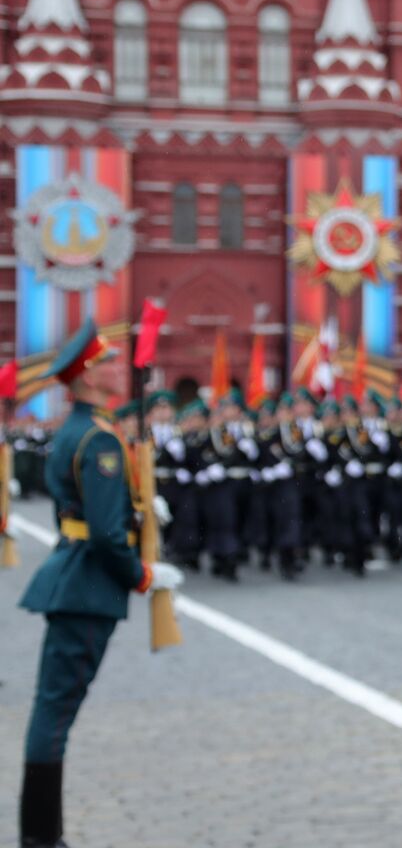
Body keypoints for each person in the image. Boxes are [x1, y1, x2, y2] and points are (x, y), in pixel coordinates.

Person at [17, 319, 184, 848]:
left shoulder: (82, 430)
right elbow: (107, 536)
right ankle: (41, 838)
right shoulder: (100, 440)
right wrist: (144, 575)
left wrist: (137, 513)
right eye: (108, 362)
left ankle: (43, 835)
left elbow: (80, 514)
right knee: (55, 712)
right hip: (88, 587)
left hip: (75, 577)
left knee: (54, 709)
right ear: (88, 377)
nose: (119, 368)